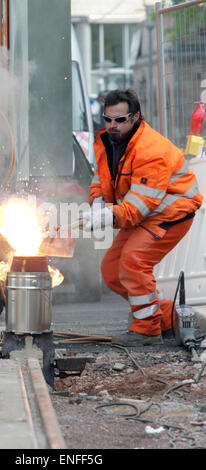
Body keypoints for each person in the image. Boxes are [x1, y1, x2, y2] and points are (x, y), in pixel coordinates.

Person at [76, 89, 203, 346]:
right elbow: (101, 179)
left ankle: (147, 331)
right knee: (111, 270)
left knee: (134, 262)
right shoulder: (106, 142)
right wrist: (98, 201)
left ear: (135, 118)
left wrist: (104, 216)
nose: (112, 125)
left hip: (170, 213)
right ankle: (167, 317)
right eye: (108, 119)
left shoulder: (150, 151)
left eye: (120, 120)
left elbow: (135, 209)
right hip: (144, 213)